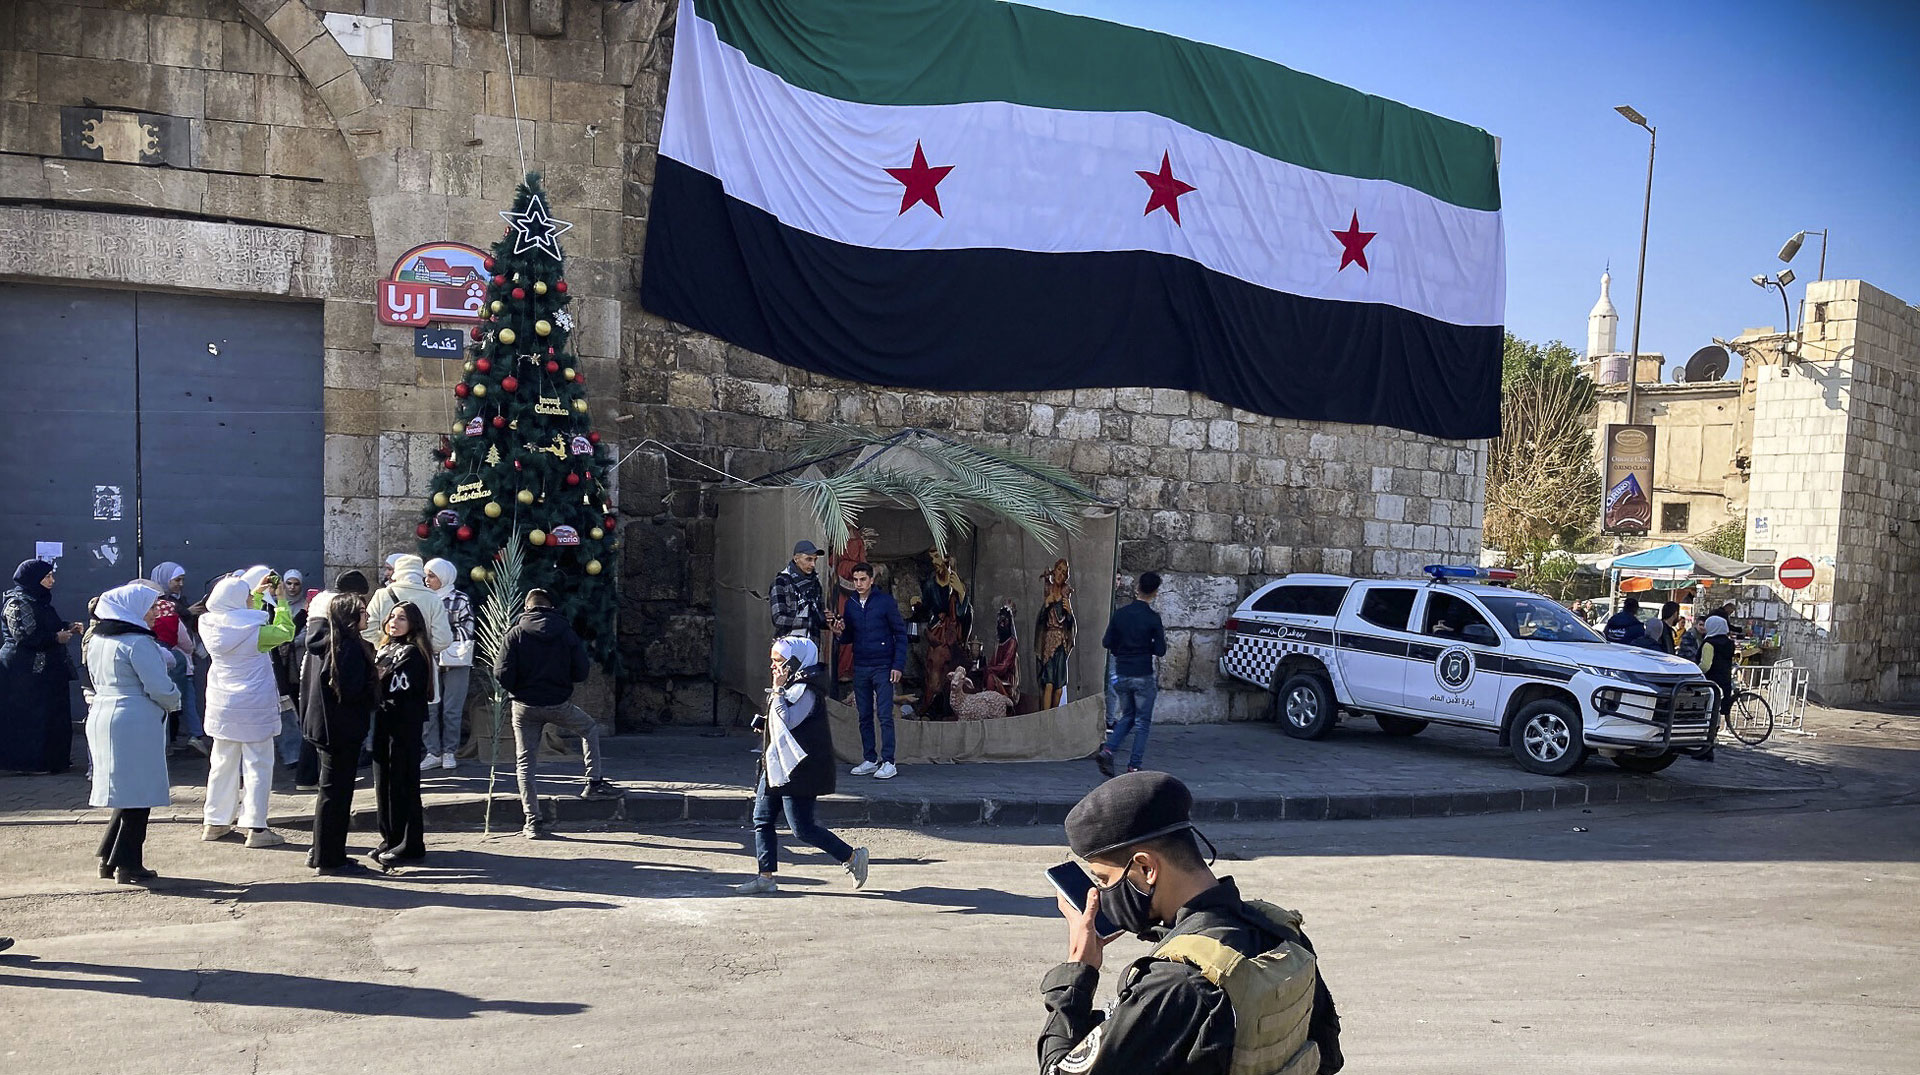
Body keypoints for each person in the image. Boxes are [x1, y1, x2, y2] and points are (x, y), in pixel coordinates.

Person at [1041, 771, 1343, 1075]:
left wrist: (1078, 972)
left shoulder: (1175, 983)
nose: (1103, 893)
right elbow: (1327, 1057)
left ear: (1146, 868)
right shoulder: (1279, 930)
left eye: (1105, 879)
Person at [735, 635, 870, 895]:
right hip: (775, 763)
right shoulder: (791, 685)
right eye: (772, 661)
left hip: (798, 769)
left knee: (802, 828)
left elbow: (788, 719)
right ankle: (765, 876)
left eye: (779, 661)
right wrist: (765, 723)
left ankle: (853, 857)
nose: (774, 666)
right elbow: (779, 719)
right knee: (762, 819)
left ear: (795, 662)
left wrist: (776, 691)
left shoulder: (807, 689)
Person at [495, 589, 621, 839]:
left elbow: (501, 672)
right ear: (551, 607)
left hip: (524, 705)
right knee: (589, 728)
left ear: (527, 607)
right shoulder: (565, 632)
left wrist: (517, 688)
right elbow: (582, 670)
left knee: (525, 761)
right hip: (557, 702)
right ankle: (593, 782)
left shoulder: (515, 632)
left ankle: (532, 822)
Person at [83, 583, 183, 885]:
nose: (155, 613)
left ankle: (109, 857)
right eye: (151, 607)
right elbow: (158, 686)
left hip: (104, 714)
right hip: (135, 719)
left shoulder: (100, 639)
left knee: (125, 793)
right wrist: (173, 699)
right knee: (139, 795)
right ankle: (129, 863)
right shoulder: (138, 643)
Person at [200, 573, 295, 848]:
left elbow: (236, 612)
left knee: (221, 763)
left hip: (222, 703)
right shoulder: (256, 632)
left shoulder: (209, 625)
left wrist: (252, 594)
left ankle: (215, 821)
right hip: (253, 705)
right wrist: (280, 602)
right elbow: (285, 631)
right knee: (258, 764)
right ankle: (256, 826)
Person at [301, 591, 378, 875]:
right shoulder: (346, 647)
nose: (366, 616)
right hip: (341, 730)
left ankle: (322, 851)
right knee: (336, 795)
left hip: (324, 728)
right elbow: (351, 691)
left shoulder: (324, 642)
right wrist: (376, 680)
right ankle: (330, 858)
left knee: (330, 792)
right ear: (348, 616)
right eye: (361, 611)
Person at [0, 560, 82, 774]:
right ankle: (28, 762)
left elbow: (47, 624)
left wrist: (68, 627)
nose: (51, 581)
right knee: (30, 716)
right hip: (24, 671)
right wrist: (56, 637)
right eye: (47, 577)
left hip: (47, 669)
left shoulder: (40, 601)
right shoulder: (18, 603)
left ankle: (52, 760)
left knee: (52, 714)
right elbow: (24, 635)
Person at [370, 602, 434, 868]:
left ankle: (409, 843)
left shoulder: (413, 653)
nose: (394, 622)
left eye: (402, 618)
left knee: (403, 783)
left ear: (413, 624)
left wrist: (375, 679)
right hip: (384, 724)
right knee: (383, 783)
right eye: (392, 616)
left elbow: (397, 688)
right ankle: (389, 837)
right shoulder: (385, 647)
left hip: (404, 726)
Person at [838, 561, 907, 780]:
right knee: (864, 715)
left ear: (871, 580)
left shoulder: (885, 602)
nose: (859, 584)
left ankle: (889, 761)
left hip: (884, 666)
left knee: (885, 715)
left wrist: (897, 665)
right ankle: (870, 758)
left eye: (863, 580)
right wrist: (839, 631)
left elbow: (900, 634)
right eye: (855, 580)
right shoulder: (850, 605)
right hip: (861, 666)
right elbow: (849, 636)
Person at [1097, 572, 1167, 777]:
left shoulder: (1121, 614)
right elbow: (1161, 649)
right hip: (1142, 673)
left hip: (1122, 672)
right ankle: (1134, 765)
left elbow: (1107, 642)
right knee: (1142, 722)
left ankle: (1109, 749)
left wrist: (1122, 649)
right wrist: (1147, 646)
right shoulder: (1153, 619)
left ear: (1137, 587)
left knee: (1128, 715)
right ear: (1154, 592)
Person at [149, 562, 207, 757]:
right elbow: (184, 639)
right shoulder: (169, 609)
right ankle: (192, 736)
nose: (180, 584)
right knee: (183, 699)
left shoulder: (174, 603)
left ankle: (166, 743)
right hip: (179, 660)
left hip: (166, 661)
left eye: (182, 580)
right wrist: (186, 613)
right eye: (176, 580)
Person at [422, 557, 475, 771]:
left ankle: (450, 751)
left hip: (455, 659)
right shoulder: (423, 598)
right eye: (426, 575)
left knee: (452, 708)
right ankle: (432, 752)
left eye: (432, 575)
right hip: (429, 659)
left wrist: (439, 636)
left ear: (444, 577)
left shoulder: (460, 599)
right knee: (430, 707)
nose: (427, 580)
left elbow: (467, 628)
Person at [363, 554, 452, 655]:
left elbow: (366, 629)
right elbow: (443, 640)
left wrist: (383, 644)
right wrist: (422, 649)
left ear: (397, 572)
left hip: (388, 659)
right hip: (421, 660)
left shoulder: (382, 595)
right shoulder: (433, 598)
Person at [268, 570, 310, 771]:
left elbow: (299, 631)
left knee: (291, 707)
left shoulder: (303, 608)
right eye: (288, 584)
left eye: (296, 584)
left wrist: (290, 643)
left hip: (292, 663)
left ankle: (293, 753)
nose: (292, 588)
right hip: (271, 667)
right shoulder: (267, 608)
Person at [769, 539, 830, 643]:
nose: (813, 564)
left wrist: (828, 620)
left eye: (815, 560)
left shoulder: (815, 583)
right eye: (808, 559)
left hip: (811, 643)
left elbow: (818, 617)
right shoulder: (781, 582)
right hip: (786, 645)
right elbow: (778, 619)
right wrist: (810, 621)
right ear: (796, 559)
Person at [1695, 614, 1735, 764]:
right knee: (1715, 716)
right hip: (1724, 683)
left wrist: (1694, 672)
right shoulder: (1729, 644)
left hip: (1710, 684)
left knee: (1708, 715)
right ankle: (1709, 746)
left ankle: (1706, 749)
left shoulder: (1709, 644)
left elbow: (1706, 665)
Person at [950, 666, 1014, 721]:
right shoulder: (961, 703)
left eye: (960, 679)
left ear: (966, 682)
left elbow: (1003, 667)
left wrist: (989, 669)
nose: (955, 682)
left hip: (996, 698)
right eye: (953, 678)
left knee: (998, 723)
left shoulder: (994, 700)